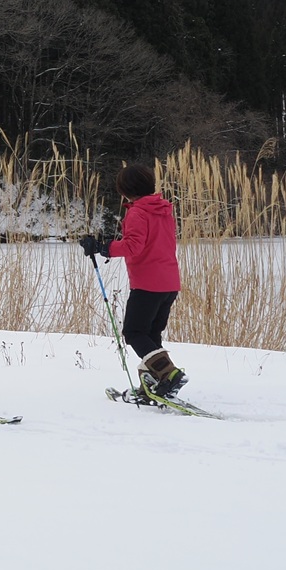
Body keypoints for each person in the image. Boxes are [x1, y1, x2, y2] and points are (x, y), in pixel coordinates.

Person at [80, 163, 186, 397]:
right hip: (169, 282)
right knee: (150, 336)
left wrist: (102, 247)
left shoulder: (138, 211)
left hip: (148, 284)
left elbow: (133, 246)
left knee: (134, 333)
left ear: (125, 189)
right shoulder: (163, 209)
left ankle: (169, 374)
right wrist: (108, 243)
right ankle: (152, 386)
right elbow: (147, 241)